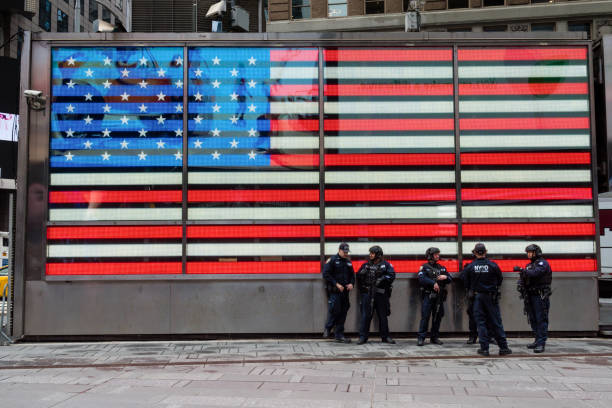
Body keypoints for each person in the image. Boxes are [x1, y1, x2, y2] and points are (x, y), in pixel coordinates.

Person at [463, 243, 512, 357]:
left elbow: (465, 281)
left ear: (475, 253)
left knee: (481, 323)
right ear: (485, 252)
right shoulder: (493, 265)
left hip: (477, 298)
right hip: (491, 297)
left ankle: (484, 349)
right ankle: (503, 348)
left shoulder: (470, 266)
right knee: (496, 322)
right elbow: (500, 279)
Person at [514, 244, 552, 354]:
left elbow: (536, 273)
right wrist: (520, 284)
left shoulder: (542, 263)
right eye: (527, 252)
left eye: (530, 252)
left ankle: (541, 343)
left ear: (536, 252)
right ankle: (537, 340)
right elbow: (524, 277)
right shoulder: (529, 265)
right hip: (530, 295)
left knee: (541, 319)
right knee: (533, 319)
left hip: (540, 296)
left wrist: (521, 270)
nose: (528, 254)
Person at [356, 245, 396, 345]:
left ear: (378, 254)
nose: (370, 255)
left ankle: (385, 337)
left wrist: (382, 279)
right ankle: (363, 337)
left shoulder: (386, 265)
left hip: (380, 294)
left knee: (383, 316)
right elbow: (358, 278)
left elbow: (392, 275)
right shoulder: (366, 265)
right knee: (366, 316)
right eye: (370, 253)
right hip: (368, 294)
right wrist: (361, 274)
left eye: (372, 253)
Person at [416, 247, 452, 346]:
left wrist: (446, 277)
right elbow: (421, 278)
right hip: (428, 296)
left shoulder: (442, 268)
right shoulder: (424, 267)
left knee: (437, 317)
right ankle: (421, 338)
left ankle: (434, 337)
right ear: (430, 256)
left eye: (438, 254)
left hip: (439, 297)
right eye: (436, 254)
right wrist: (433, 283)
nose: (438, 256)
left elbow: (450, 278)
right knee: (425, 317)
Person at [322, 242, 355, 343]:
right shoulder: (332, 260)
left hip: (345, 292)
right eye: (344, 252)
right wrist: (336, 284)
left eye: (347, 252)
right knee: (335, 310)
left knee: (343, 312)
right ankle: (328, 328)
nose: (346, 254)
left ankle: (339, 334)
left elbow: (352, 275)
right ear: (339, 250)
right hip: (335, 291)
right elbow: (326, 274)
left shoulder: (348, 262)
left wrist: (352, 284)